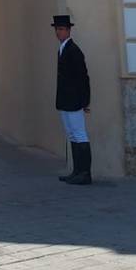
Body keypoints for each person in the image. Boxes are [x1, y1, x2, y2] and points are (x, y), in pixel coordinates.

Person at [53, 14, 92, 186]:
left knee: (80, 134)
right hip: (65, 100)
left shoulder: (73, 50)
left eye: (61, 29)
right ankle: (77, 171)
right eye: (57, 29)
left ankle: (84, 173)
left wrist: (85, 101)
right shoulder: (62, 49)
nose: (58, 32)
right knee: (72, 134)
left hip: (74, 101)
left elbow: (83, 78)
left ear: (68, 30)